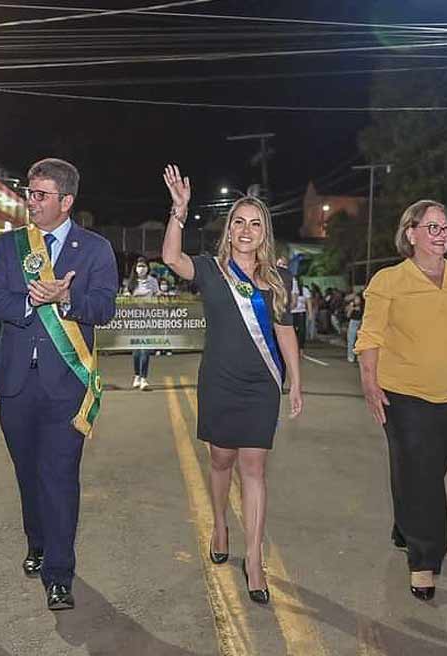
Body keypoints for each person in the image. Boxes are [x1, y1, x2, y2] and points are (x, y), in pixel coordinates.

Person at [161, 164, 304, 606]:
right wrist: (178, 213)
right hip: (219, 383)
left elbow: (284, 332)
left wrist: (295, 382)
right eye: (238, 222)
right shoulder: (209, 269)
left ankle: (255, 558)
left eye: (254, 223)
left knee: (255, 470)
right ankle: (220, 522)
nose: (246, 230)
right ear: (229, 229)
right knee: (221, 461)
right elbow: (171, 258)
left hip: (261, 386)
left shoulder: (279, 280)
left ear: (265, 233)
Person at [0, 158, 118, 611]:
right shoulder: (9, 245)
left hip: (66, 387)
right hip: (17, 383)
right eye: (30, 193)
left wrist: (67, 298)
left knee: (58, 477)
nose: (31, 202)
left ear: (66, 200)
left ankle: (59, 573)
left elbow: (103, 308)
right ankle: (37, 543)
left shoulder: (95, 249)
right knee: (28, 474)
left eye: (40, 195)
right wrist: (31, 301)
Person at [354, 199, 447, 601]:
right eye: (433, 227)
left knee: (424, 471)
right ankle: (425, 559)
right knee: (422, 474)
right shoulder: (389, 280)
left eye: (446, 227)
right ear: (412, 234)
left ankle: (406, 524)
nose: (442, 235)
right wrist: (369, 381)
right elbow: (371, 336)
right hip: (401, 394)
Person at [127, 257, 160, 390]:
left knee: (145, 350)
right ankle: (137, 375)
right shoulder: (131, 282)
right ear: (135, 268)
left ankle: (144, 378)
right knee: (136, 351)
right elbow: (125, 298)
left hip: (149, 319)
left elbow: (158, 295)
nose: (141, 268)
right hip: (135, 320)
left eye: (144, 266)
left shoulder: (152, 281)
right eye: (139, 266)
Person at [345, 292, 364, 364]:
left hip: (361, 322)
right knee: (351, 340)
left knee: (360, 341)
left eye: (358, 298)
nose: (356, 300)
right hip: (353, 322)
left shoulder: (363, 305)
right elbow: (348, 315)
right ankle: (351, 356)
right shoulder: (351, 304)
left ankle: (359, 357)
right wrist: (351, 308)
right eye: (355, 298)